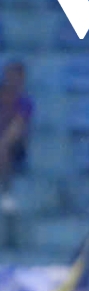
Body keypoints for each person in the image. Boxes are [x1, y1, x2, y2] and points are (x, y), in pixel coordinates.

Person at [0, 60, 32, 214]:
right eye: (9, 76)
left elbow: (17, 127)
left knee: (4, 149)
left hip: (15, 147)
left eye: (15, 77)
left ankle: (7, 193)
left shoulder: (25, 102)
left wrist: (3, 142)